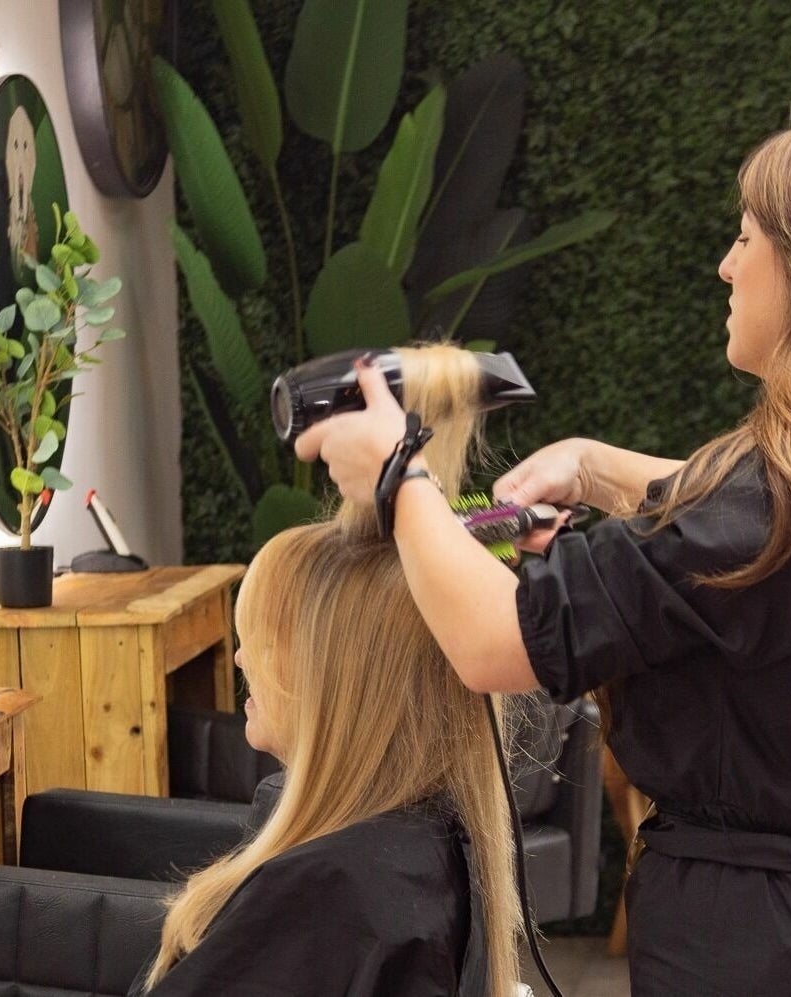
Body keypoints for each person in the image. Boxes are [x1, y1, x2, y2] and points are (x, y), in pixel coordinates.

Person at [295, 121, 791, 995]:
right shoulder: (775, 493)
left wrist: (397, 478)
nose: (727, 267)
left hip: (753, 949)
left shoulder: (751, 504)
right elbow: (769, 530)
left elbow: (493, 642)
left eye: (742, 237)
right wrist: (596, 468)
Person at [138, 345, 523, 996]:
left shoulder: (330, 890)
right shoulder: (420, 850)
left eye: (257, 641)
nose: (239, 661)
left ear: (330, 673)